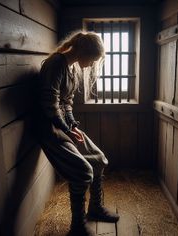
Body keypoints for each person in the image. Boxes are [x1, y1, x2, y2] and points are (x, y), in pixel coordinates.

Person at [35, 31, 119, 236]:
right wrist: (67, 129)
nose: (91, 65)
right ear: (82, 51)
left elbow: (67, 102)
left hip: (63, 126)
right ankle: (77, 226)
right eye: (92, 59)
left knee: (99, 160)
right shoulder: (55, 64)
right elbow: (50, 104)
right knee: (83, 173)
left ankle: (95, 209)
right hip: (50, 129)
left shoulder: (71, 67)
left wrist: (72, 124)